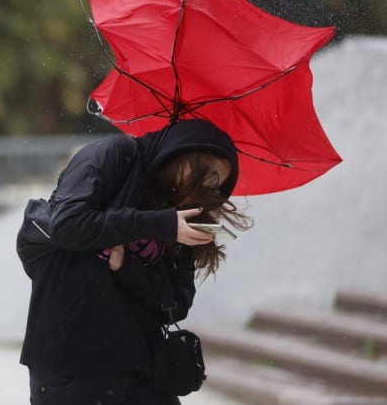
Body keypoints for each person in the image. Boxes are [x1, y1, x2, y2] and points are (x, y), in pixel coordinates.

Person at [16, 119, 251, 405]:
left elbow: (176, 303)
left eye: (218, 185)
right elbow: (66, 225)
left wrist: (126, 267)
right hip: (71, 367)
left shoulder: (184, 217)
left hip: (140, 370)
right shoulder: (114, 155)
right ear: (187, 150)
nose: (210, 187)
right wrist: (160, 224)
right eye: (211, 174)